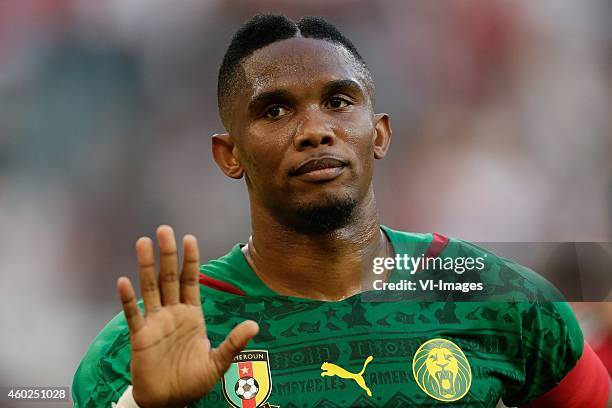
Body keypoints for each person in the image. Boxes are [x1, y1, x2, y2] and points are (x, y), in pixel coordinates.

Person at [72, 14, 610, 407]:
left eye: (338, 101)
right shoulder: (139, 352)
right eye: (276, 109)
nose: (315, 130)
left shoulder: (496, 298)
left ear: (379, 134)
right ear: (229, 154)